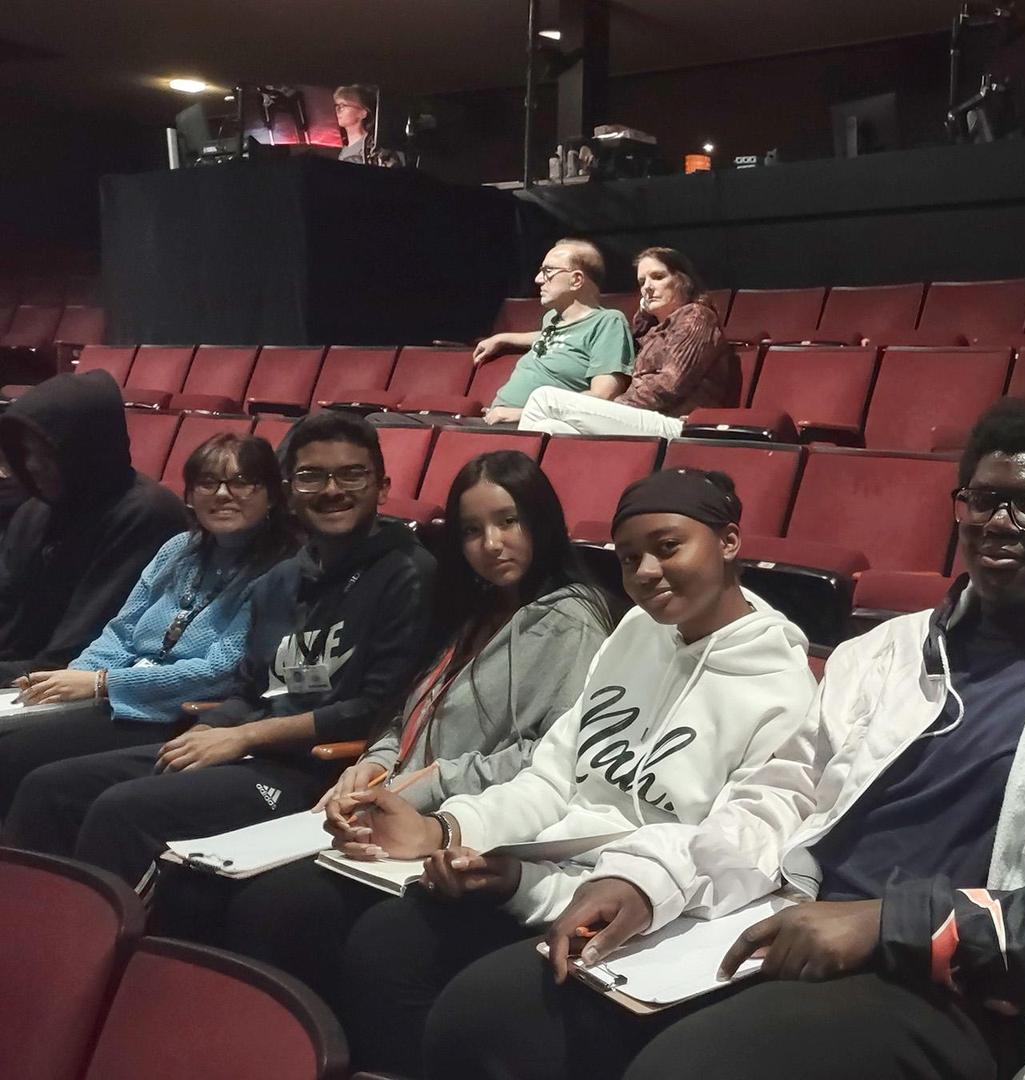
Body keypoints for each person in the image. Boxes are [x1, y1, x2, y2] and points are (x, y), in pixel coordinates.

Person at [421, 397, 1025, 1080]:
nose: (998, 521)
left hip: (955, 986)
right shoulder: (888, 652)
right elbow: (779, 795)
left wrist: (886, 924)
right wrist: (648, 882)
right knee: (489, 1015)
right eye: (980, 499)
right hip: (789, 916)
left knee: (687, 1071)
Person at [319, 467, 816, 1075]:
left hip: (645, 912)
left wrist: (523, 883)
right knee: (380, 945)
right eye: (630, 559)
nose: (646, 574)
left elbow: (726, 850)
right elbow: (553, 777)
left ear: (729, 542)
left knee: (476, 1012)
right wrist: (449, 832)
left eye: (668, 547)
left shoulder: (782, 689)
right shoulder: (637, 632)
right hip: (537, 875)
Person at [195, 449, 618, 999]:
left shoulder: (568, 620)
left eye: (508, 521)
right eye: (471, 530)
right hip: (395, 807)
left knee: (275, 909)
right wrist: (375, 762)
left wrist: (414, 786)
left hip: (467, 830)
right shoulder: (477, 609)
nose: (491, 545)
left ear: (541, 520)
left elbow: (545, 756)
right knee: (234, 892)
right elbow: (410, 712)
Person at [2, 411, 438, 886]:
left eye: (352, 473)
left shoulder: (409, 573)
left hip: (314, 771)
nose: (332, 489)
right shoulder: (282, 580)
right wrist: (207, 731)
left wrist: (242, 737)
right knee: (51, 788)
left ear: (383, 486)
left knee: (120, 810)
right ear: (292, 490)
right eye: (313, 476)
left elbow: (373, 711)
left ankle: (103, 943)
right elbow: (249, 690)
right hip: (244, 747)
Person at [0, 434, 296, 816]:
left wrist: (100, 683)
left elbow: (222, 671)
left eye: (241, 482)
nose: (223, 494)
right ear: (189, 495)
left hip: (177, 713)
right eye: (208, 482)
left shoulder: (280, 569)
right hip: (114, 697)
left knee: (16, 756)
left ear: (272, 496)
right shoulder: (178, 549)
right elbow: (122, 631)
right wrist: (71, 681)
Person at [0, 371, 192, 683]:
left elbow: (71, 655)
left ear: (84, 449)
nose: (32, 464)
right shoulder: (34, 512)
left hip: (79, 687)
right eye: (27, 451)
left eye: (46, 452)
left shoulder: (147, 514)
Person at [519, 247, 738, 439]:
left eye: (658, 277)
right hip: (644, 417)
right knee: (549, 427)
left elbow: (669, 385)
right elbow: (634, 348)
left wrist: (610, 406)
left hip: (678, 423)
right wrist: (643, 315)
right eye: (642, 281)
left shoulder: (697, 317)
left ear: (683, 281)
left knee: (545, 399)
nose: (647, 287)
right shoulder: (653, 328)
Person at [468, 239, 636, 426]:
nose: (538, 279)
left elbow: (603, 396)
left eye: (548, 271)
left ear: (576, 280)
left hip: (534, 427)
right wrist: (502, 338)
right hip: (497, 419)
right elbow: (556, 337)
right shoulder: (552, 319)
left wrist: (523, 414)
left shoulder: (608, 322)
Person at [333, 84, 378, 165]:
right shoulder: (345, 150)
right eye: (337, 106)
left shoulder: (371, 149)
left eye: (343, 105)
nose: (338, 110)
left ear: (363, 113)